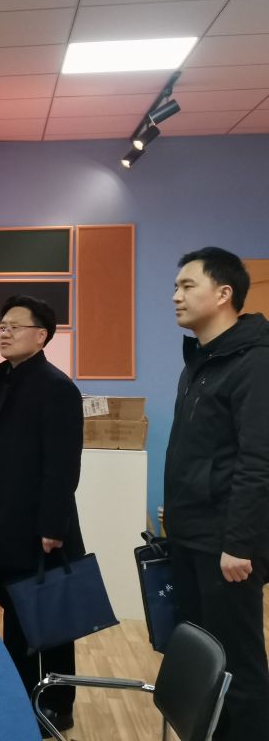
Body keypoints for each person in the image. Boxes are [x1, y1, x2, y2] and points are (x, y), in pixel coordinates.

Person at [165, 247, 269, 741]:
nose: (176, 296)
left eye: (188, 286)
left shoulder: (255, 362)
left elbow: (259, 461)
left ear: (224, 293)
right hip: (190, 537)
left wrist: (240, 543)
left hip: (227, 547)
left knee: (238, 669)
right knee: (204, 665)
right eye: (176, 286)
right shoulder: (200, 363)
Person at [0, 295, 84, 737]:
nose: (3, 332)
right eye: (1, 326)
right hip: (7, 519)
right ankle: (19, 696)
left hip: (40, 528)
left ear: (41, 336)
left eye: (14, 326)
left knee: (50, 620)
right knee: (16, 614)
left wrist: (53, 526)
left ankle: (57, 705)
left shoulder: (56, 387)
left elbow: (62, 466)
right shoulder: (4, 381)